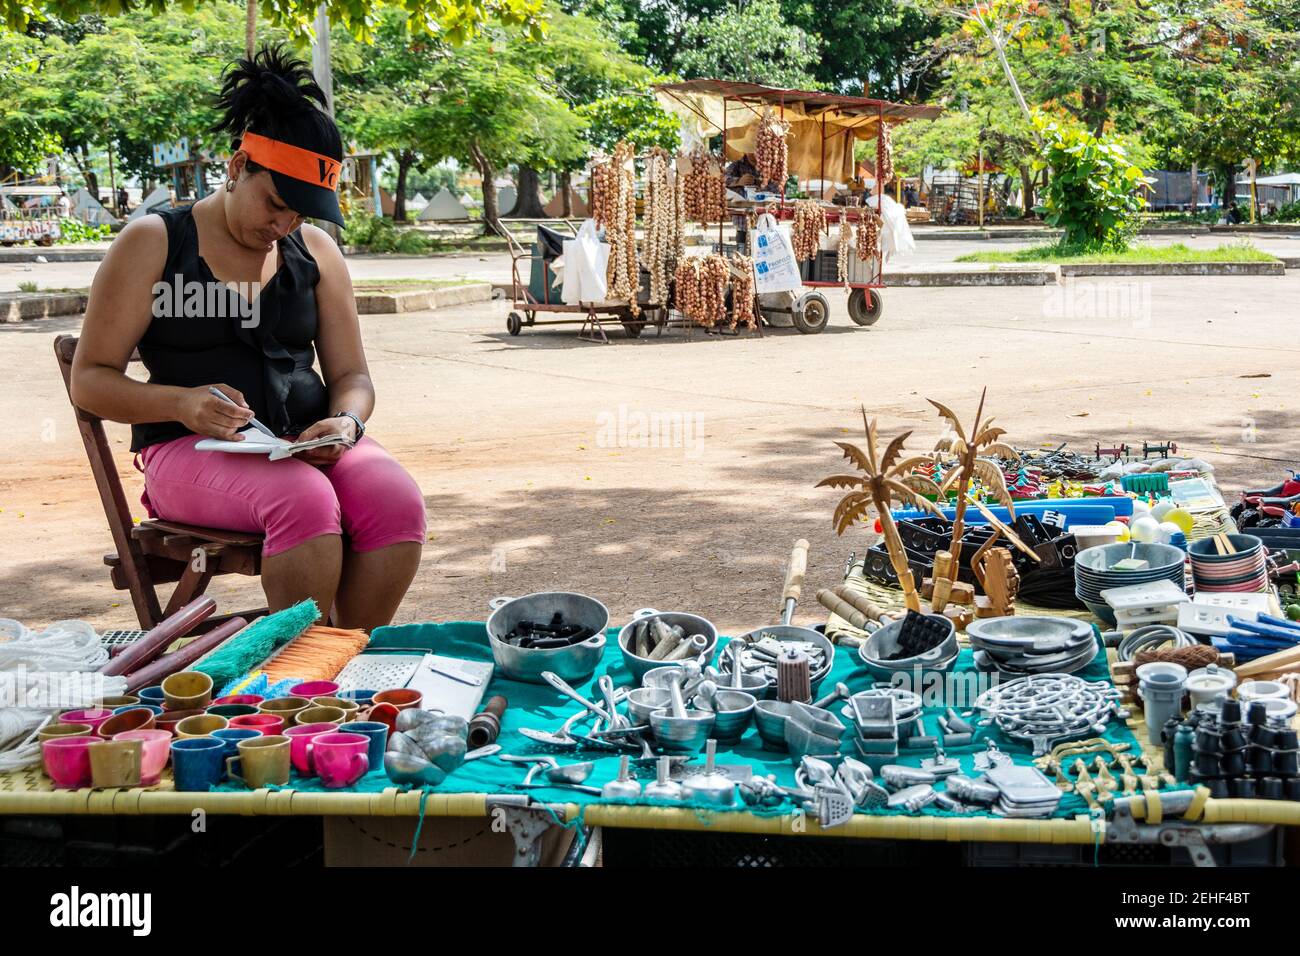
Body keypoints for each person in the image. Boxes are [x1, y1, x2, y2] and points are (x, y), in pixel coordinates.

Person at [71, 46, 427, 631]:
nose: (284, 226)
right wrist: (181, 403)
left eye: (300, 214)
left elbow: (352, 378)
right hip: (188, 454)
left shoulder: (315, 252)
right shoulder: (154, 242)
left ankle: (347, 654)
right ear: (238, 166)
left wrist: (347, 424)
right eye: (276, 204)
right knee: (304, 500)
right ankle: (297, 679)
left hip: (300, 446)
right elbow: (90, 381)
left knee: (394, 498)